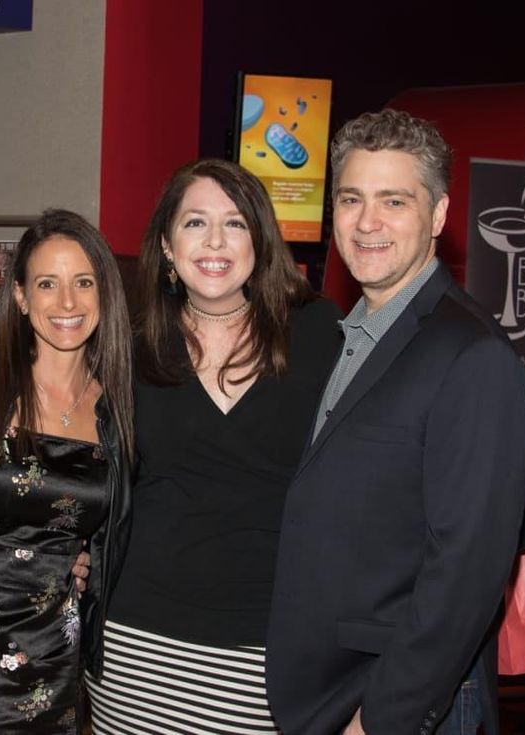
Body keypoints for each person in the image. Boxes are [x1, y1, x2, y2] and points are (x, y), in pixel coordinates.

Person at [266, 109, 525, 735]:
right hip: (334, 687)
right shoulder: (347, 337)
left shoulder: (474, 355)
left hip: (400, 701)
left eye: (395, 201)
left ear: (437, 215)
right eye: (352, 199)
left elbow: (467, 569)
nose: (368, 223)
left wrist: (380, 718)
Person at [87, 159, 343, 733]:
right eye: (195, 223)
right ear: (167, 247)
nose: (216, 241)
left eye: (235, 223)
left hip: (266, 653)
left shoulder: (319, 333)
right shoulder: (131, 346)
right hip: (136, 648)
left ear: (260, 241)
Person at [0, 208, 134, 732]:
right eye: (47, 283)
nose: (67, 302)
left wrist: (88, 564)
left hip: (53, 661)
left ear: (104, 293)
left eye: (83, 282)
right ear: (20, 296)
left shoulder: (120, 410)